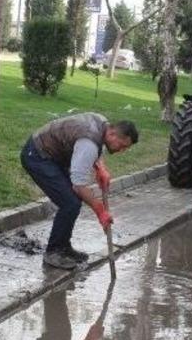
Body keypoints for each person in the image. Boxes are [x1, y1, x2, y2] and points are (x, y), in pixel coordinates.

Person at [21, 113, 138, 270]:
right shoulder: (88, 142)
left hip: (52, 155)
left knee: (72, 202)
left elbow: (95, 147)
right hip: (38, 156)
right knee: (70, 202)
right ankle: (53, 252)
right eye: (122, 146)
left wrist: (100, 168)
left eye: (126, 148)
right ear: (112, 133)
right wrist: (100, 211)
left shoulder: (103, 124)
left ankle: (63, 247)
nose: (122, 150)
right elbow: (79, 185)